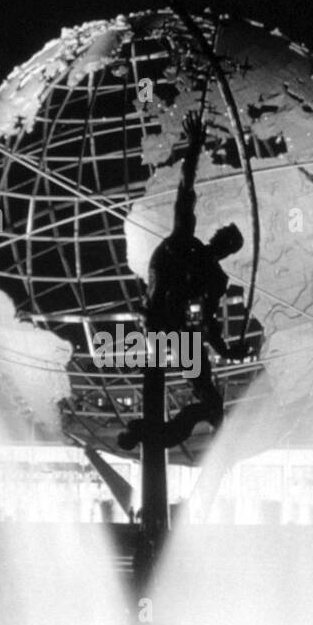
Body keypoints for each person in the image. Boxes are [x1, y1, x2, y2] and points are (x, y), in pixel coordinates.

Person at [118, 110, 245, 451]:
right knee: (210, 403)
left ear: (225, 246)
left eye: (226, 239)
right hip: (165, 328)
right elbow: (185, 188)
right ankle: (153, 430)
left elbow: (210, 325)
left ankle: (154, 431)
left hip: (166, 328)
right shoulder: (186, 242)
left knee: (213, 405)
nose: (220, 238)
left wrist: (231, 350)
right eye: (223, 234)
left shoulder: (205, 266)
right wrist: (194, 148)